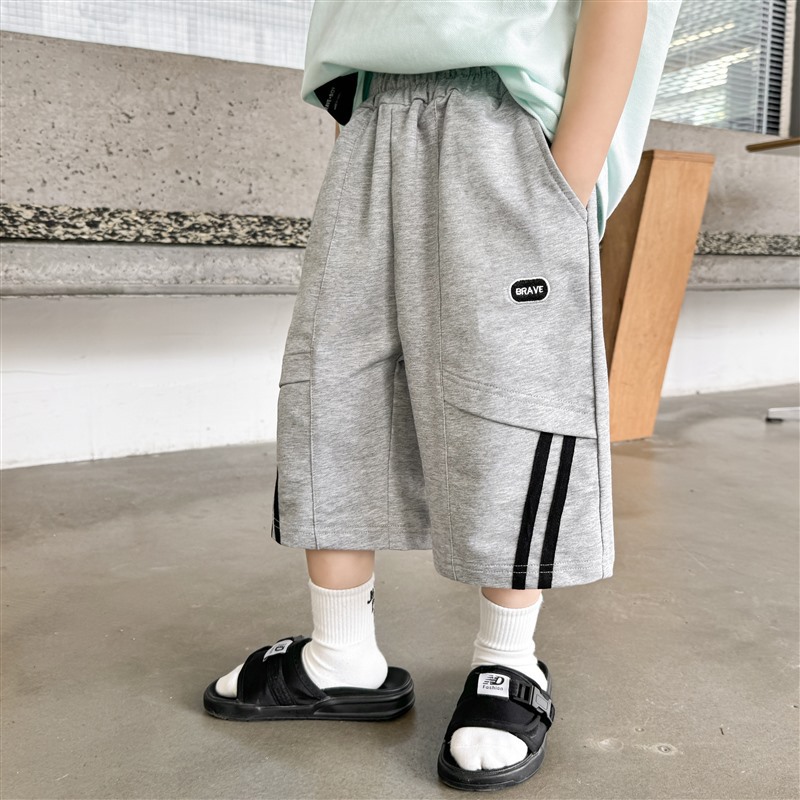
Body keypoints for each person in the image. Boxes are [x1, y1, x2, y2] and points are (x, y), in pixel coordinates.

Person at [203, 0, 682, 791]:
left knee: (508, 390)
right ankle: (340, 652)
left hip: (505, 119)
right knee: (335, 379)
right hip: (372, 116)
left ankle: (509, 660)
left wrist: (569, 177)